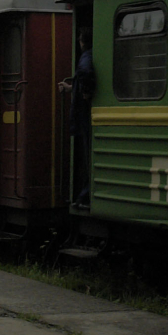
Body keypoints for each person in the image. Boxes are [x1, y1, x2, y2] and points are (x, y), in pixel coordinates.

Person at [58, 29, 95, 208]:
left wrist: (86, 92)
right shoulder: (92, 55)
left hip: (86, 116)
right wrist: (70, 88)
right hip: (86, 116)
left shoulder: (87, 56)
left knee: (88, 157)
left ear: (82, 42)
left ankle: (85, 196)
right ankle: (83, 196)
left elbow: (85, 72)